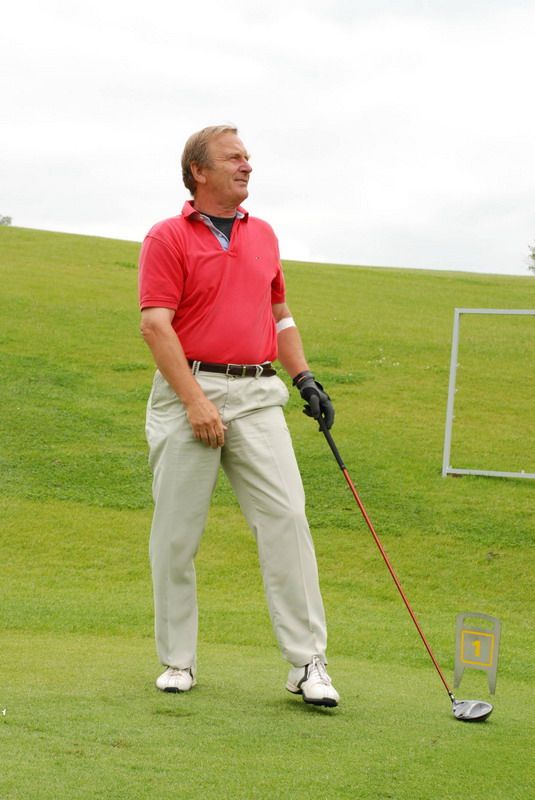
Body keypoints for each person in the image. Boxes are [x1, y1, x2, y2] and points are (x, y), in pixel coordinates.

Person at [138, 125, 339, 707]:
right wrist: (195, 401)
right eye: (233, 158)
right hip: (188, 390)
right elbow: (155, 325)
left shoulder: (265, 234)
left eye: (248, 157)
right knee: (176, 534)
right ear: (199, 172)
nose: (247, 165)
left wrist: (304, 377)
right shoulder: (167, 236)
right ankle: (178, 660)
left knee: (287, 518)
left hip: (257, 393)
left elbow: (280, 315)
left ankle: (307, 663)